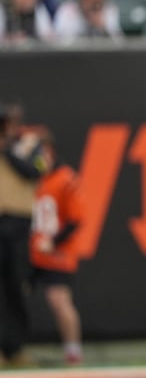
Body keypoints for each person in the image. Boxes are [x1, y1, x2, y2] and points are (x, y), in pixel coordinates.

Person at [0, 102, 49, 367]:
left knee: (16, 286)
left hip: (18, 224)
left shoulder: (32, 145)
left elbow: (37, 170)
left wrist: (7, 151)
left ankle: (15, 348)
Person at [29, 133, 85, 365]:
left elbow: (75, 219)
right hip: (31, 251)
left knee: (58, 300)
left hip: (56, 252)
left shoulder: (65, 178)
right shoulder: (31, 178)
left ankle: (73, 350)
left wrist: (53, 242)